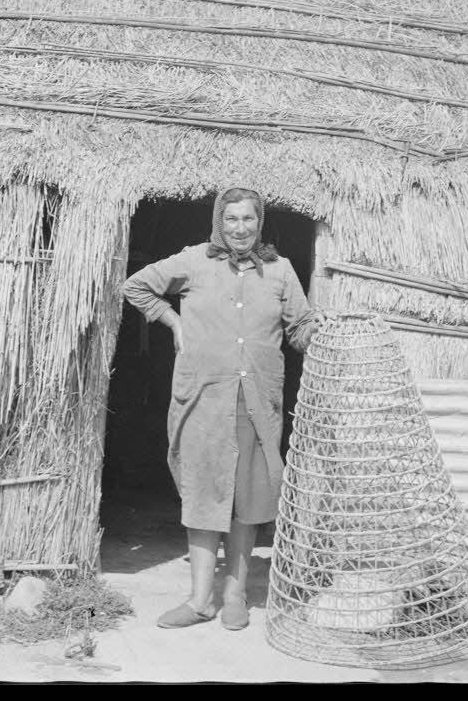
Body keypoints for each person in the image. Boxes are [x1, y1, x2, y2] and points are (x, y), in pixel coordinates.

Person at [122, 187, 317, 631]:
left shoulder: (280, 271)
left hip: (255, 406)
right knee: (205, 497)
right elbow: (136, 287)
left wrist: (317, 330)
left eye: (248, 219)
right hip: (205, 401)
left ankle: (235, 595)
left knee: (246, 503)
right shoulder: (194, 261)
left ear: (259, 223)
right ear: (218, 221)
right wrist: (172, 322)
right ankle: (199, 600)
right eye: (231, 219)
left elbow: (299, 329)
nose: (240, 228)